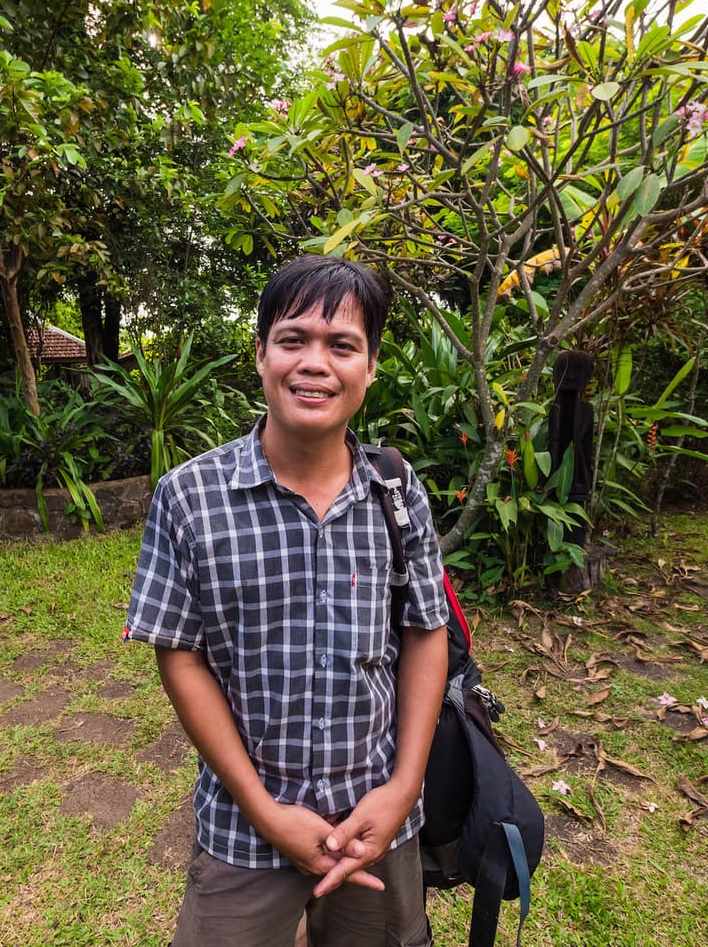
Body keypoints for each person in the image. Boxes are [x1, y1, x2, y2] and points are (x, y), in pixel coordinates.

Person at [126, 254, 450, 947]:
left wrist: (401, 791)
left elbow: (426, 634)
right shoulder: (189, 497)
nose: (314, 364)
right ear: (260, 353)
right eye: (293, 339)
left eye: (342, 346)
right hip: (246, 827)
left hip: (377, 818)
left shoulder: (396, 493)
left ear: (369, 366)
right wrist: (265, 811)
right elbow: (179, 657)